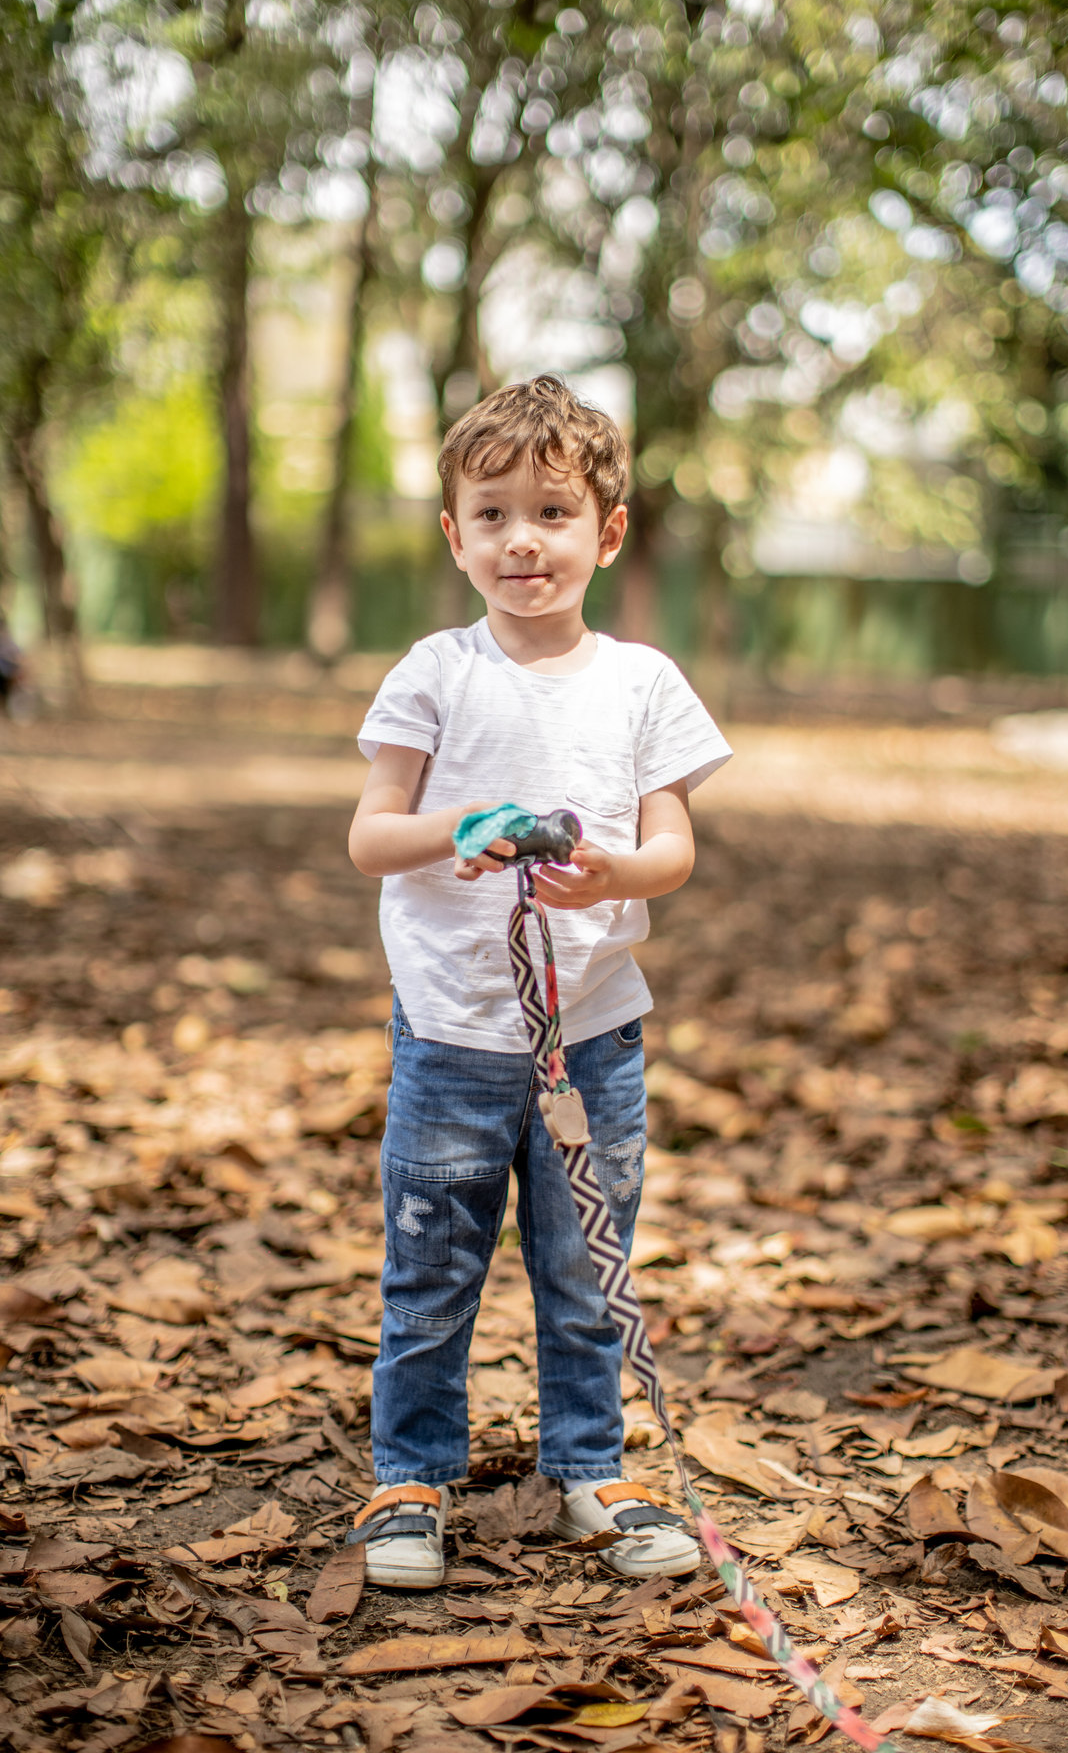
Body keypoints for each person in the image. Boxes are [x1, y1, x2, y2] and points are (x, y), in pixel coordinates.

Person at [347, 374, 731, 1590]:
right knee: (431, 1273)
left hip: (596, 1040)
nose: (525, 539)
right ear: (455, 537)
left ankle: (590, 1471)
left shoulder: (642, 683)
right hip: (454, 1031)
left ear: (606, 534)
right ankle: (411, 1476)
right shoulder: (435, 672)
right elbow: (371, 835)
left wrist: (617, 866)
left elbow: (672, 850)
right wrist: (461, 825)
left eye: (554, 512)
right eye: (494, 512)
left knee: (584, 1274)